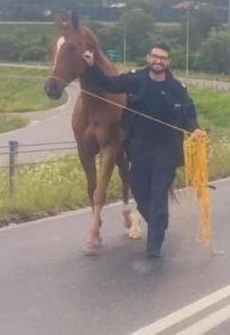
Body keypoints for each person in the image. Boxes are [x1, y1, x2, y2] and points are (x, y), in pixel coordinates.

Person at [82, 42, 202, 258]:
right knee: (139, 191)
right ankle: (159, 223)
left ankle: (154, 246)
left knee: (158, 195)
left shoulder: (177, 89)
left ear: (168, 62)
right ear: (149, 58)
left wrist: (194, 130)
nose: (158, 61)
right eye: (155, 56)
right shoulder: (135, 80)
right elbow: (108, 84)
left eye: (163, 58)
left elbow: (188, 115)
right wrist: (91, 66)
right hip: (139, 150)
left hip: (166, 151)